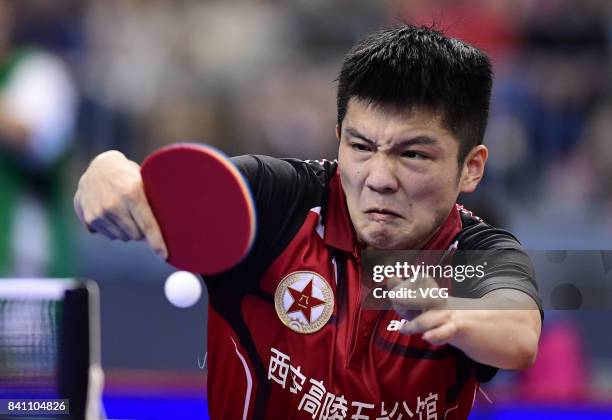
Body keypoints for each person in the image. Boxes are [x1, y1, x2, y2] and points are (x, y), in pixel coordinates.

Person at [74, 25, 542, 419]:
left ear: (471, 167)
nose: (379, 179)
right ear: (338, 137)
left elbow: (518, 333)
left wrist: (452, 312)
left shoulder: (475, 252)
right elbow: (147, 187)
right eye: (360, 147)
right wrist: (108, 170)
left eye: (413, 154)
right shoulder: (277, 200)